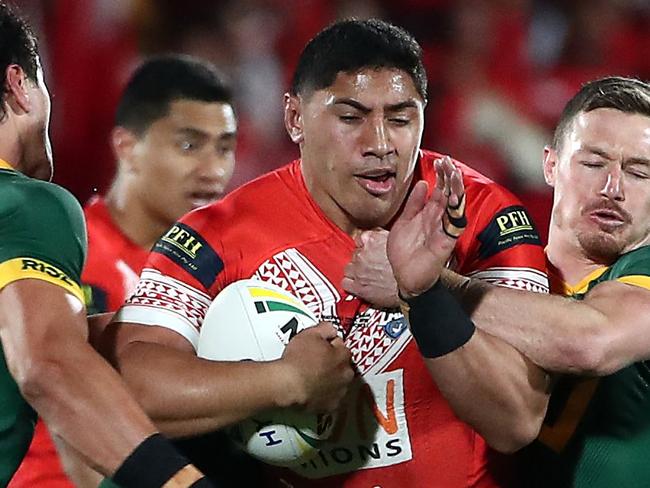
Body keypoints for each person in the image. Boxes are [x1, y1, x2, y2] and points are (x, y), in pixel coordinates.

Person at [104, 19, 549, 487]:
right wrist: (286, 381)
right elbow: (133, 386)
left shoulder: (479, 215)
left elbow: (516, 421)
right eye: (351, 118)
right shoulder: (214, 236)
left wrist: (425, 294)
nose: (380, 145)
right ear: (295, 118)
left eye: (400, 118)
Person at [379, 76, 650, 487]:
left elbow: (589, 341)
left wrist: (426, 287)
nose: (613, 189)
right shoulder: (503, 276)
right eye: (594, 163)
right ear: (550, 165)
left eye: (639, 173)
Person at [0, 4, 215, 487]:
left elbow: (36, 338)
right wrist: (181, 483)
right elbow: (48, 363)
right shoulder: (26, 206)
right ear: (19, 86)